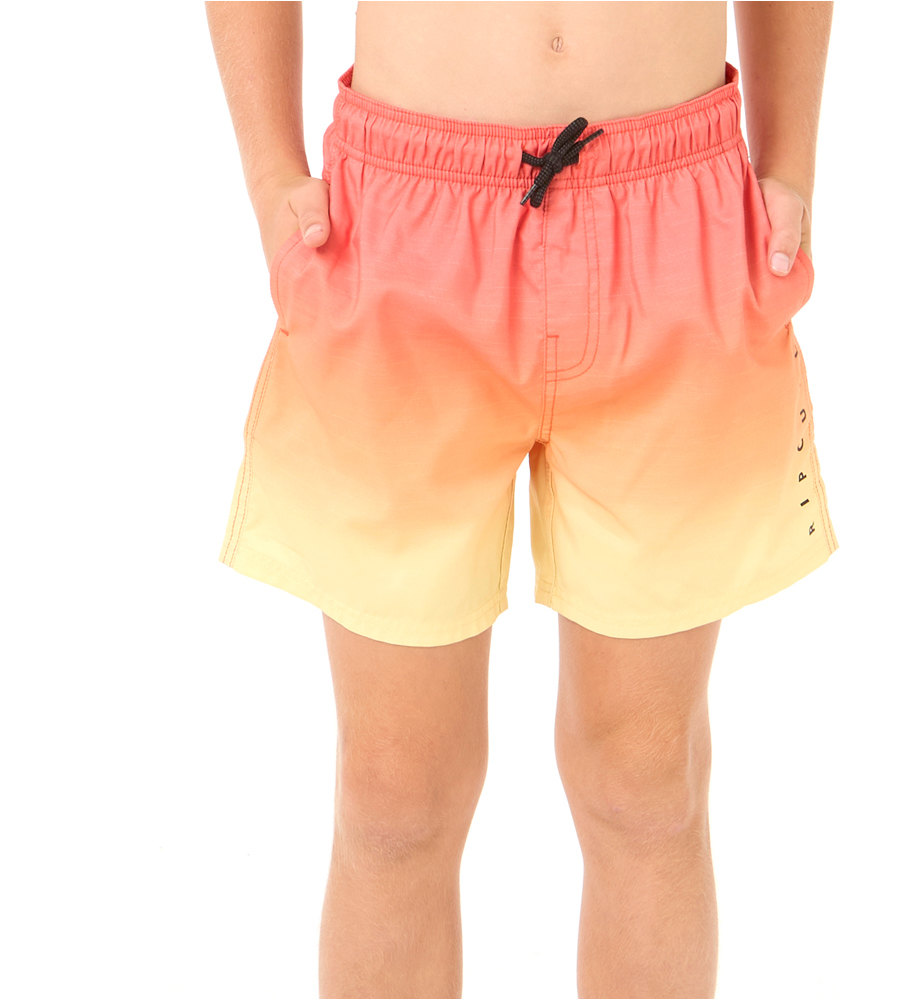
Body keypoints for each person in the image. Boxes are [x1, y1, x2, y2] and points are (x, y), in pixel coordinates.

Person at [205, 3, 836, 997]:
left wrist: (789, 161)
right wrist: (268, 174)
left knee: (646, 785)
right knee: (394, 797)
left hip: (674, 222)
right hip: (401, 232)